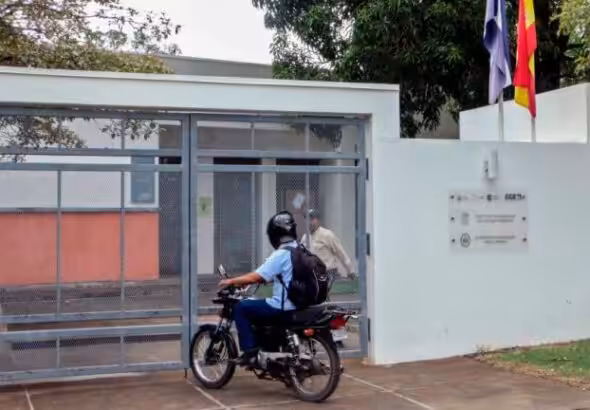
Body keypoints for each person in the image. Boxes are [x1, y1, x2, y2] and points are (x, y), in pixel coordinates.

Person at [218, 210, 298, 365]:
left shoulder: (281, 254)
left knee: (241, 308)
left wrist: (231, 281)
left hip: (283, 306)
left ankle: (249, 352)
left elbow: (256, 276)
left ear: (274, 234)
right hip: (300, 304)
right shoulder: (300, 249)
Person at [301, 209, 356, 280]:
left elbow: (341, 254)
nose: (308, 222)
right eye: (306, 219)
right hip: (311, 275)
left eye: (311, 219)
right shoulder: (305, 237)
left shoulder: (327, 235)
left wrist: (350, 272)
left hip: (328, 275)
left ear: (317, 221)